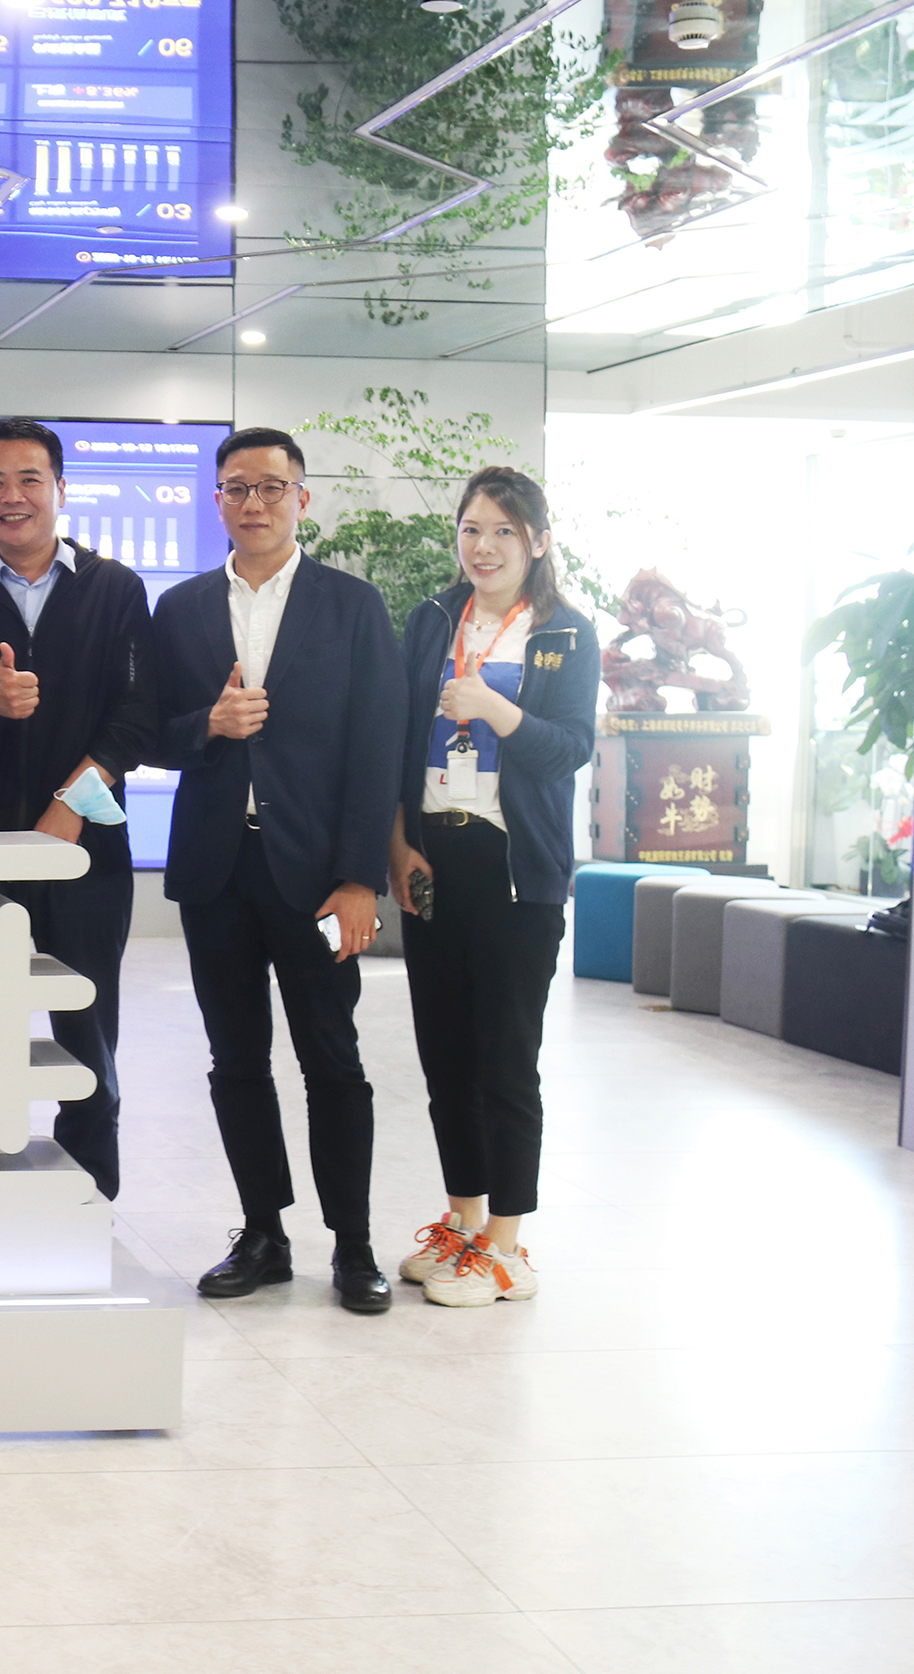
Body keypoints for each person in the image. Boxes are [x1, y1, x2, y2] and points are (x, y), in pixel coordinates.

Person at [151, 425, 403, 1315]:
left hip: (321, 878)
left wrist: (359, 879)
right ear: (215, 499)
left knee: (333, 1059)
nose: (252, 502)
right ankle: (262, 1232)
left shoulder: (352, 605)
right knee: (235, 1059)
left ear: (301, 497)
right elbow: (149, 730)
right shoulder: (180, 607)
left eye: (269, 487)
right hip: (217, 873)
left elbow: (377, 746)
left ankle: (354, 1244)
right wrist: (207, 726)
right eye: (235, 487)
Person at [0, 417, 156, 1199]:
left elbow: (134, 718)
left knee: (86, 1030)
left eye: (28, 479)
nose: (11, 496)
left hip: (85, 851)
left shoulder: (114, 588)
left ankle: (87, 1197)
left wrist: (69, 802)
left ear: (59, 488)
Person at [387, 467, 597, 1308]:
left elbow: (569, 747)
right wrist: (398, 845)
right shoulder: (432, 619)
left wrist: (493, 708)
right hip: (434, 856)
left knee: (506, 1060)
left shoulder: (565, 633)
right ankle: (464, 1223)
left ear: (537, 541)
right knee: (445, 1055)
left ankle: (507, 1247)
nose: (483, 546)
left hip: (516, 871)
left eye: (503, 530)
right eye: (471, 528)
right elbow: (400, 736)